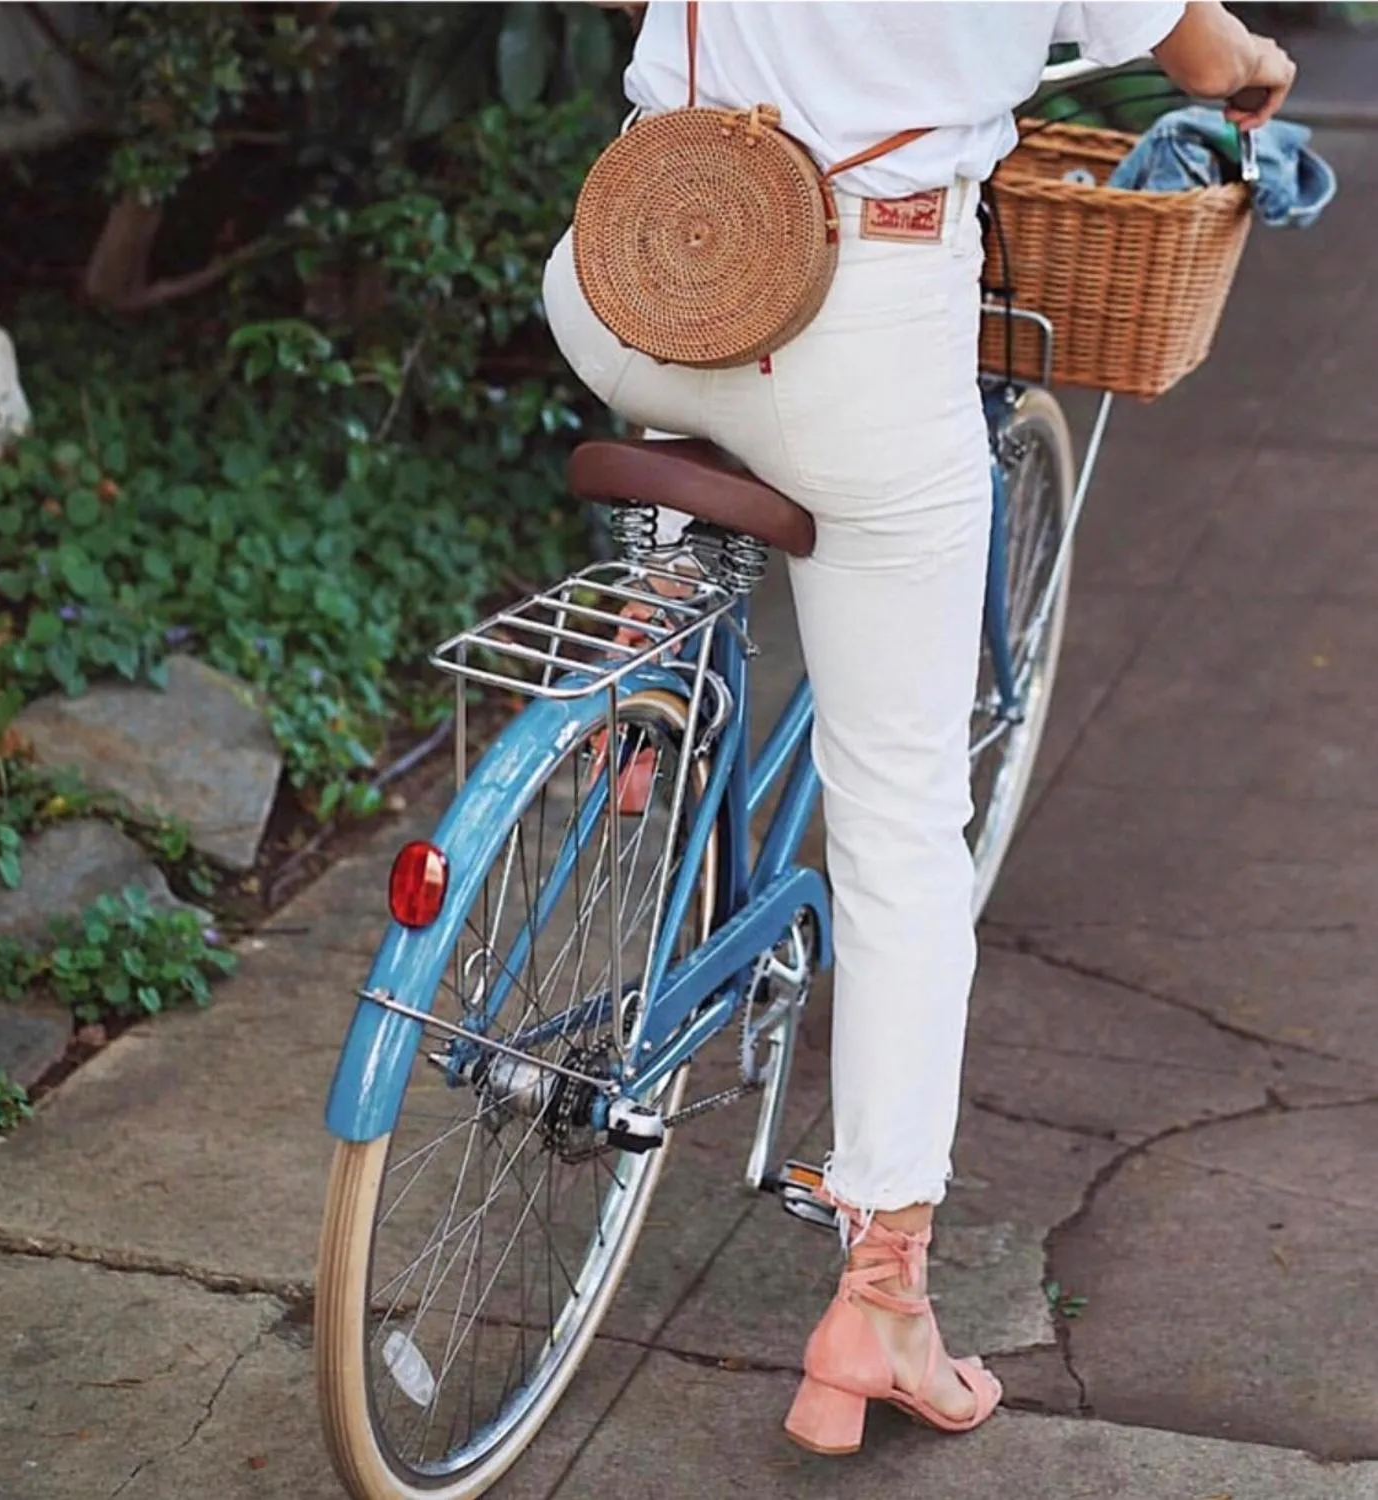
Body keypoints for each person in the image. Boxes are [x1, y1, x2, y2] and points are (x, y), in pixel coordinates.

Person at [544, 0, 1296, 1457]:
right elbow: (1203, 59)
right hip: (857, 329)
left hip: (636, 260)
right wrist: (1257, 68)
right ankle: (879, 1302)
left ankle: (653, 638)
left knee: (678, 368)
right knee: (895, 820)